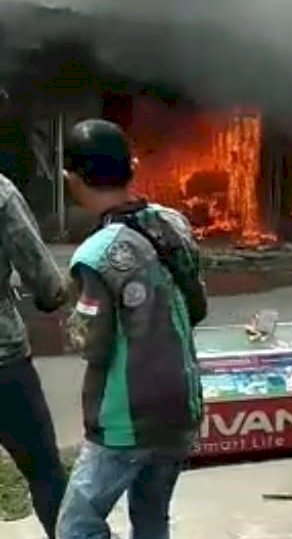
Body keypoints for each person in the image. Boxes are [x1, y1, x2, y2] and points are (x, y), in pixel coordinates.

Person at [56, 119, 207, 539]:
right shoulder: (174, 223)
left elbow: (92, 344)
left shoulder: (97, 253)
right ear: (133, 167)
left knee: (77, 527)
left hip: (125, 420)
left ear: (73, 179)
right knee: (152, 518)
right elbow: (197, 306)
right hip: (182, 408)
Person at [0, 87, 69, 539]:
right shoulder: (0, 193)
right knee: (44, 471)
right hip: (3, 362)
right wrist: (58, 293)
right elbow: (46, 283)